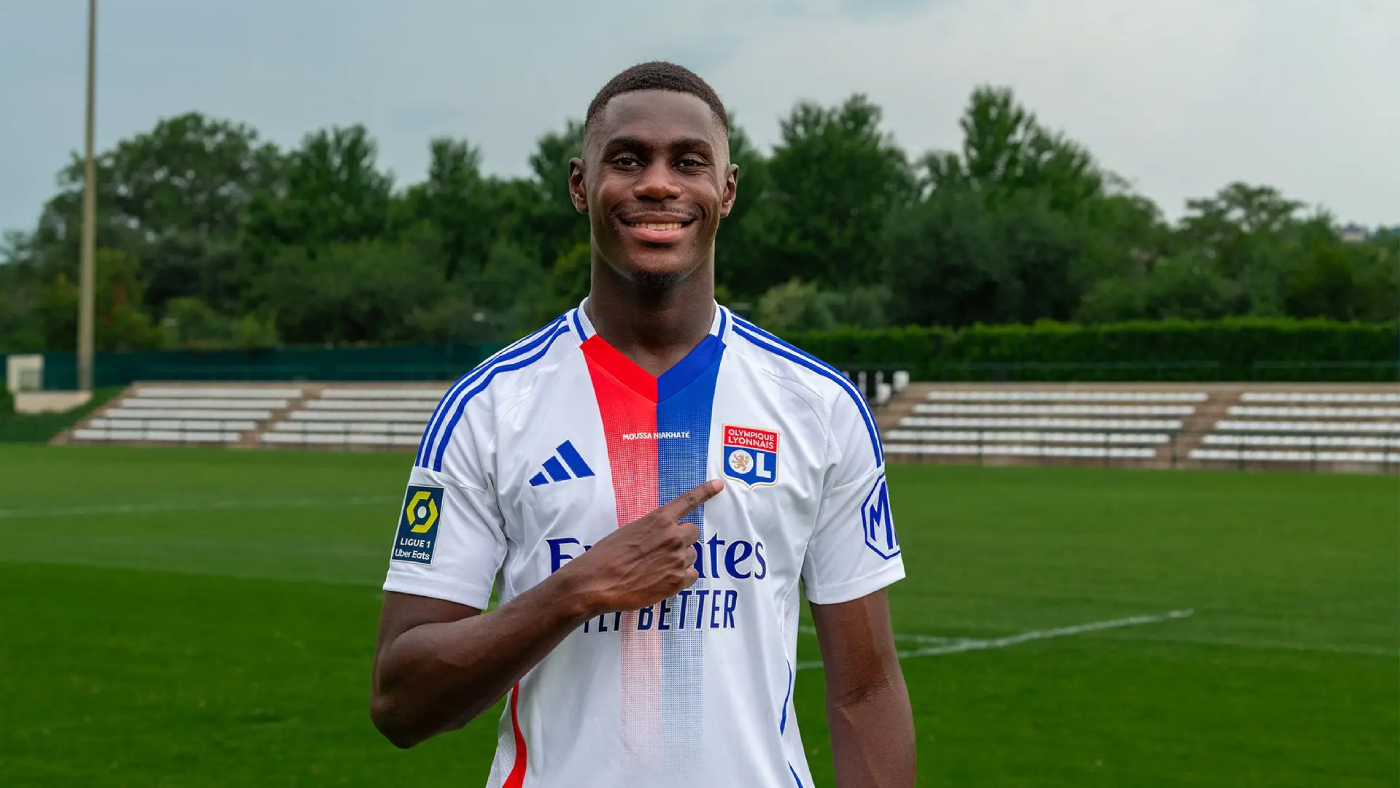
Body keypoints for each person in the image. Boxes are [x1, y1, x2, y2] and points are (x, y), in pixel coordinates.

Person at [370, 61, 915, 788]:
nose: (658, 184)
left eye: (689, 162)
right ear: (580, 184)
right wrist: (576, 588)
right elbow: (401, 702)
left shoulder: (818, 405)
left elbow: (866, 691)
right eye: (627, 160)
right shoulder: (491, 407)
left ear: (727, 189)